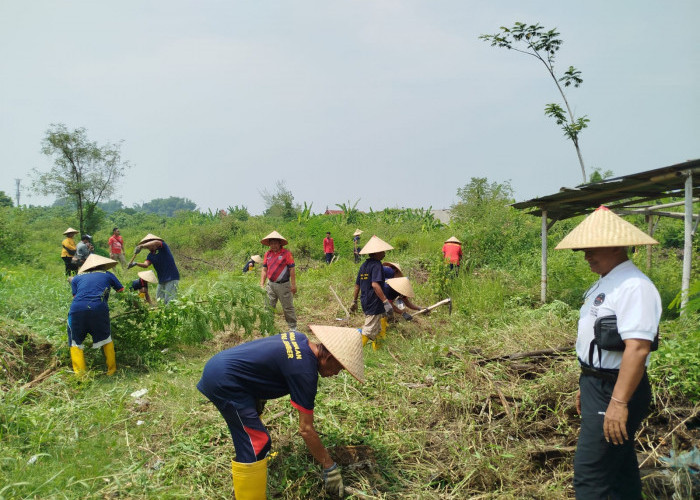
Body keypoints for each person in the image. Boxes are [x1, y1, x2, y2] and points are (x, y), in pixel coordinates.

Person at [555, 205, 661, 499]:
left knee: (592, 476)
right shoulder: (605, 283)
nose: (586, 255)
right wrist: (586, 383)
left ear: (616, 244)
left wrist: (618, 401)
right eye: (583, 249)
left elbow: (638, 348)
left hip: (616, 388)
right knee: (620, 471)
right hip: (596, 384)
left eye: (592, 248)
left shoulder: (634, 287)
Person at [197, 325, 364, 499]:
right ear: (329, 357)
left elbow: (268, 368)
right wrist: (329, 467)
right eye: (339, 368)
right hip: (225, 381)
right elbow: (306, 429)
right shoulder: (305, 371)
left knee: (256, 422)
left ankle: (257, 462)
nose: (337, 373)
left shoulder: (299, 339)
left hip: (225, 367)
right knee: (257, 441)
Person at [67, 254, 124, 376]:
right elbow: (121, 291)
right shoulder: (107, 275)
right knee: (105, 337)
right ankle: (111, 371)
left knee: (75, 340)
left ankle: (80, 375)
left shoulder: (77, 278)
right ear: (103, 266)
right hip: (99, 309)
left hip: (77, 309)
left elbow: (76, 297)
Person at [349, 235, 394, 347]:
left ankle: (377, 351)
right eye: (382, 251)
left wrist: (354, 301)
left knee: (377, 328)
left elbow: (357, 285)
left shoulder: (364, 265)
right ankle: (356, 351)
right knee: (368, 330)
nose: (384, 253)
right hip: (374, 301)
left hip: (365, 300)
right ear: (377, 252)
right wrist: (385, 301)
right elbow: (375, 284)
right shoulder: (377, 265)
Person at [260, 231, 297, 330]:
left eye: (275, 243)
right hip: (270, 285)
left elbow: (292, 269)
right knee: (268, 306)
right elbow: (264, 269)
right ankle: (269, 327)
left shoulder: (286, 254)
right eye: (271, 243)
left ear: (280, 243)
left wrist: (293, 285)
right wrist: (261, 284)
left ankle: (292, 327)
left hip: (284, 285)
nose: (273, 245)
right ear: (269, 244)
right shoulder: (267, 254)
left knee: (287, 307)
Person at [129, 234, 180, 304]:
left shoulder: (163, 247)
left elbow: (156, 242)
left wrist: (142, 246)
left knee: (170, 300)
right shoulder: (150, 255)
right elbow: (145, 265)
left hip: (172, 277)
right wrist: (136, 263)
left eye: (149, 244)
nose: (149, 247)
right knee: (159, 299)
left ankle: (171, 313)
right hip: (162, 279)